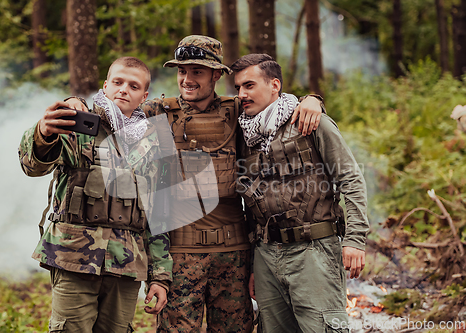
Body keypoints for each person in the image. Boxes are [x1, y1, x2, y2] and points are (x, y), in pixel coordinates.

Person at [66, 35, 324, 332]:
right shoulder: (156, 112)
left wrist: (312, 100)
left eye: (197, 72)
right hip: (179, 253)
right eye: (181, 71)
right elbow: (113, 110)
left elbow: (276, 107)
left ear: (216, 74)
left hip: (234, 253)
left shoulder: (237, 110)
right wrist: (75, 102)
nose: (187, 79)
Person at [18, 57, 172, 332]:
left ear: (144, 96)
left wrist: (159, 277)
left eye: (133, 86)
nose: (124, 89)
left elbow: (158, 214)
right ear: (106, 85)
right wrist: (43, 132)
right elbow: (32, 165)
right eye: (118, 82)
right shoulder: (78, 124)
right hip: (74, 257)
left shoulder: (152, 143)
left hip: (126, 264)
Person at [232, 54, 369, 333]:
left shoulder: (310, 121)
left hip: (313, 251)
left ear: (274, 85)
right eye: (237, 88)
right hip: (266, 254)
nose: (241, 94)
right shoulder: (244, 134)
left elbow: (350, 178)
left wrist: (355, 239)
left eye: (249, 85)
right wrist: (253, 265)